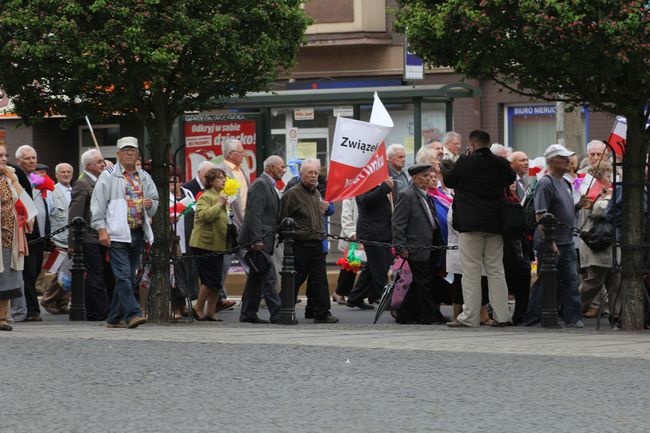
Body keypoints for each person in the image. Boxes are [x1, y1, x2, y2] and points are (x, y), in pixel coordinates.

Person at [444, 129, 516, 327]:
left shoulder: (466, 162)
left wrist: (463, 159)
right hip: (496, 223)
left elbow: (449, 181)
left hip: (470, 224)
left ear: (472, 145)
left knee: (471, 271)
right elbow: (511, 178)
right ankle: (502, 316)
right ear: (488, 143)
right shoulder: (500, 163)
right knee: (496, 270)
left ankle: (470, 316)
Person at [91, 137, 158, 329]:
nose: (129, 153)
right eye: (125, 150)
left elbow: (155, 200)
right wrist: (101, 229)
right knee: (123, 276)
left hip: (137, 231)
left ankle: (114, 318)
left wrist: (151, 204)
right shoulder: (108, 175)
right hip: (116, 232)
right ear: (118, 154)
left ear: (137, 154)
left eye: (132, 150)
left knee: (128, 274)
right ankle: (134, 313)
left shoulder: (144, 176)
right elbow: (97, 204)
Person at [523, 143, 583, 328]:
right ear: (551, 161)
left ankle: (573, 317)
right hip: (553, 241)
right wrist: (550, 241)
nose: (568, 161)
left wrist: (579, 205)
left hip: (566, 241)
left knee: (571, 281)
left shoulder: (564, 182)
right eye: (562, 158)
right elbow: (540, 215)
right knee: (544, 280)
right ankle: (532, 318)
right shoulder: (546, 183)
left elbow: (565, 209)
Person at [278, 158, 338, 323]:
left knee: (319, 280)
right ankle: (283, 310)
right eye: (310, 173)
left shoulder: (317, 192)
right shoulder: (292, 194)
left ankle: (322, 313)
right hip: (300, 244)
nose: (313, 176)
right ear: (301, 174)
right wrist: (288, 238)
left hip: (317, 242)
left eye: (316, 173)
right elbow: (282, 218)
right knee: (296, 279)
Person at [392, 164, 446, 324]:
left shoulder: (427, 195)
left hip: (431, 245)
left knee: (421, 282)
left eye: (429, 175)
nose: (429, 179)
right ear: (414, 179)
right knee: (423, 283)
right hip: (416, 246)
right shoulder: (407, 195)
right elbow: (398, 223)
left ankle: (406, 315)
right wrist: (401, 246)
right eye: (424, 176)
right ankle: (429, 317)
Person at [238, 156, 286, 324]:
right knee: (268, 277)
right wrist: (256, 240)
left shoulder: (269, 186)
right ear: (271, 168)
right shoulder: (260, 185)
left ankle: (247, 313)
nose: (284, 169)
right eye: (281, 166)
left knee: (256, 278)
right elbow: (254, 214)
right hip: (259, 241)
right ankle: (277, 314)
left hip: (265, 239)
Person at [69, 149, 110, 321]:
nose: (103, 164)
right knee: (95, 274)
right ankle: (99, 312)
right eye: (99, 162)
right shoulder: (82, 184)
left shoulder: (101, 181)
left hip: (102, 235)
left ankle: (98, 309)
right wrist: (73, 241)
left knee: (103, 274)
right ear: (89, 165)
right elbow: (75, 214)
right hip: (89, 237)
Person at [189, 168, 231, 321]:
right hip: (204, 244)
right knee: (209, 279)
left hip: (218, 244)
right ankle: (198, 307)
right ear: (211, 181)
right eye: (220, 178)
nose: (224, 181)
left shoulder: (220, 196)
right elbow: (204, 216)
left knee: (216, 281)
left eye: (224, 178)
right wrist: (219, 204)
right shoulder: (206, 197)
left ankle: (211, 312)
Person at [346, 177, 394, 310]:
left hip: (382, 232)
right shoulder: (363, 182)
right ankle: (385, 299)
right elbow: (365, 200)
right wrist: (384, 187)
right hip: (372, 233)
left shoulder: (376, 183)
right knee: (379, 268)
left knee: (371, 268)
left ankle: (355, 298)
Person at [0, 144, 34, 331]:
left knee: (8, 274)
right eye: (0, 156)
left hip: (9, 235)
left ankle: (3, 317)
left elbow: (24, 201)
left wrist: (14, 180)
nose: (4, 159)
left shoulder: (11, 177)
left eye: (5, 155)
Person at [214, 139, 250, 311]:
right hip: (230, 225)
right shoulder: (222, 171)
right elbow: (223, 199)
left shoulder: (241, 170)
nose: (243, 154)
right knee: (224, 263)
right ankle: (219, 297)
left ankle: (257, 293)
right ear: (230, 154)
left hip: (244, 224)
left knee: (250, 259)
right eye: (240, 151)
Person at [15, 144, 48, 322]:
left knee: (35, 272)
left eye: (34, 157)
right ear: (19, 161)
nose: (32, 161)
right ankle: (32, 310)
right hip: (26, 233)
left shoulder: (38, 179)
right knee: (28, 272)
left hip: (41, 233)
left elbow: (45, 206)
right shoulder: (17, 178)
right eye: (27, 158)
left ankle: (31, 307)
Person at [40, 162, 74, 314]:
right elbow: (48, 215)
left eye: (68, 172)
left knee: (71, 271)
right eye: (63, 172)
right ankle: (48, 299)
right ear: (57, 175)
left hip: (72, 238)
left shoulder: (74, 190)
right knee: (60, 271)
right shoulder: (52, 191)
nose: (66, 174)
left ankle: (62, 302)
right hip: (59, 238)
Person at [333, 197, 358, 305]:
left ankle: (372, 294)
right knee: (350, 265)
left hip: (369, 232)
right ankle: (340, 292)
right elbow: (346, 216)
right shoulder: (351, 194)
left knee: (373, 265)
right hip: (355, 236)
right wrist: (352, 233)